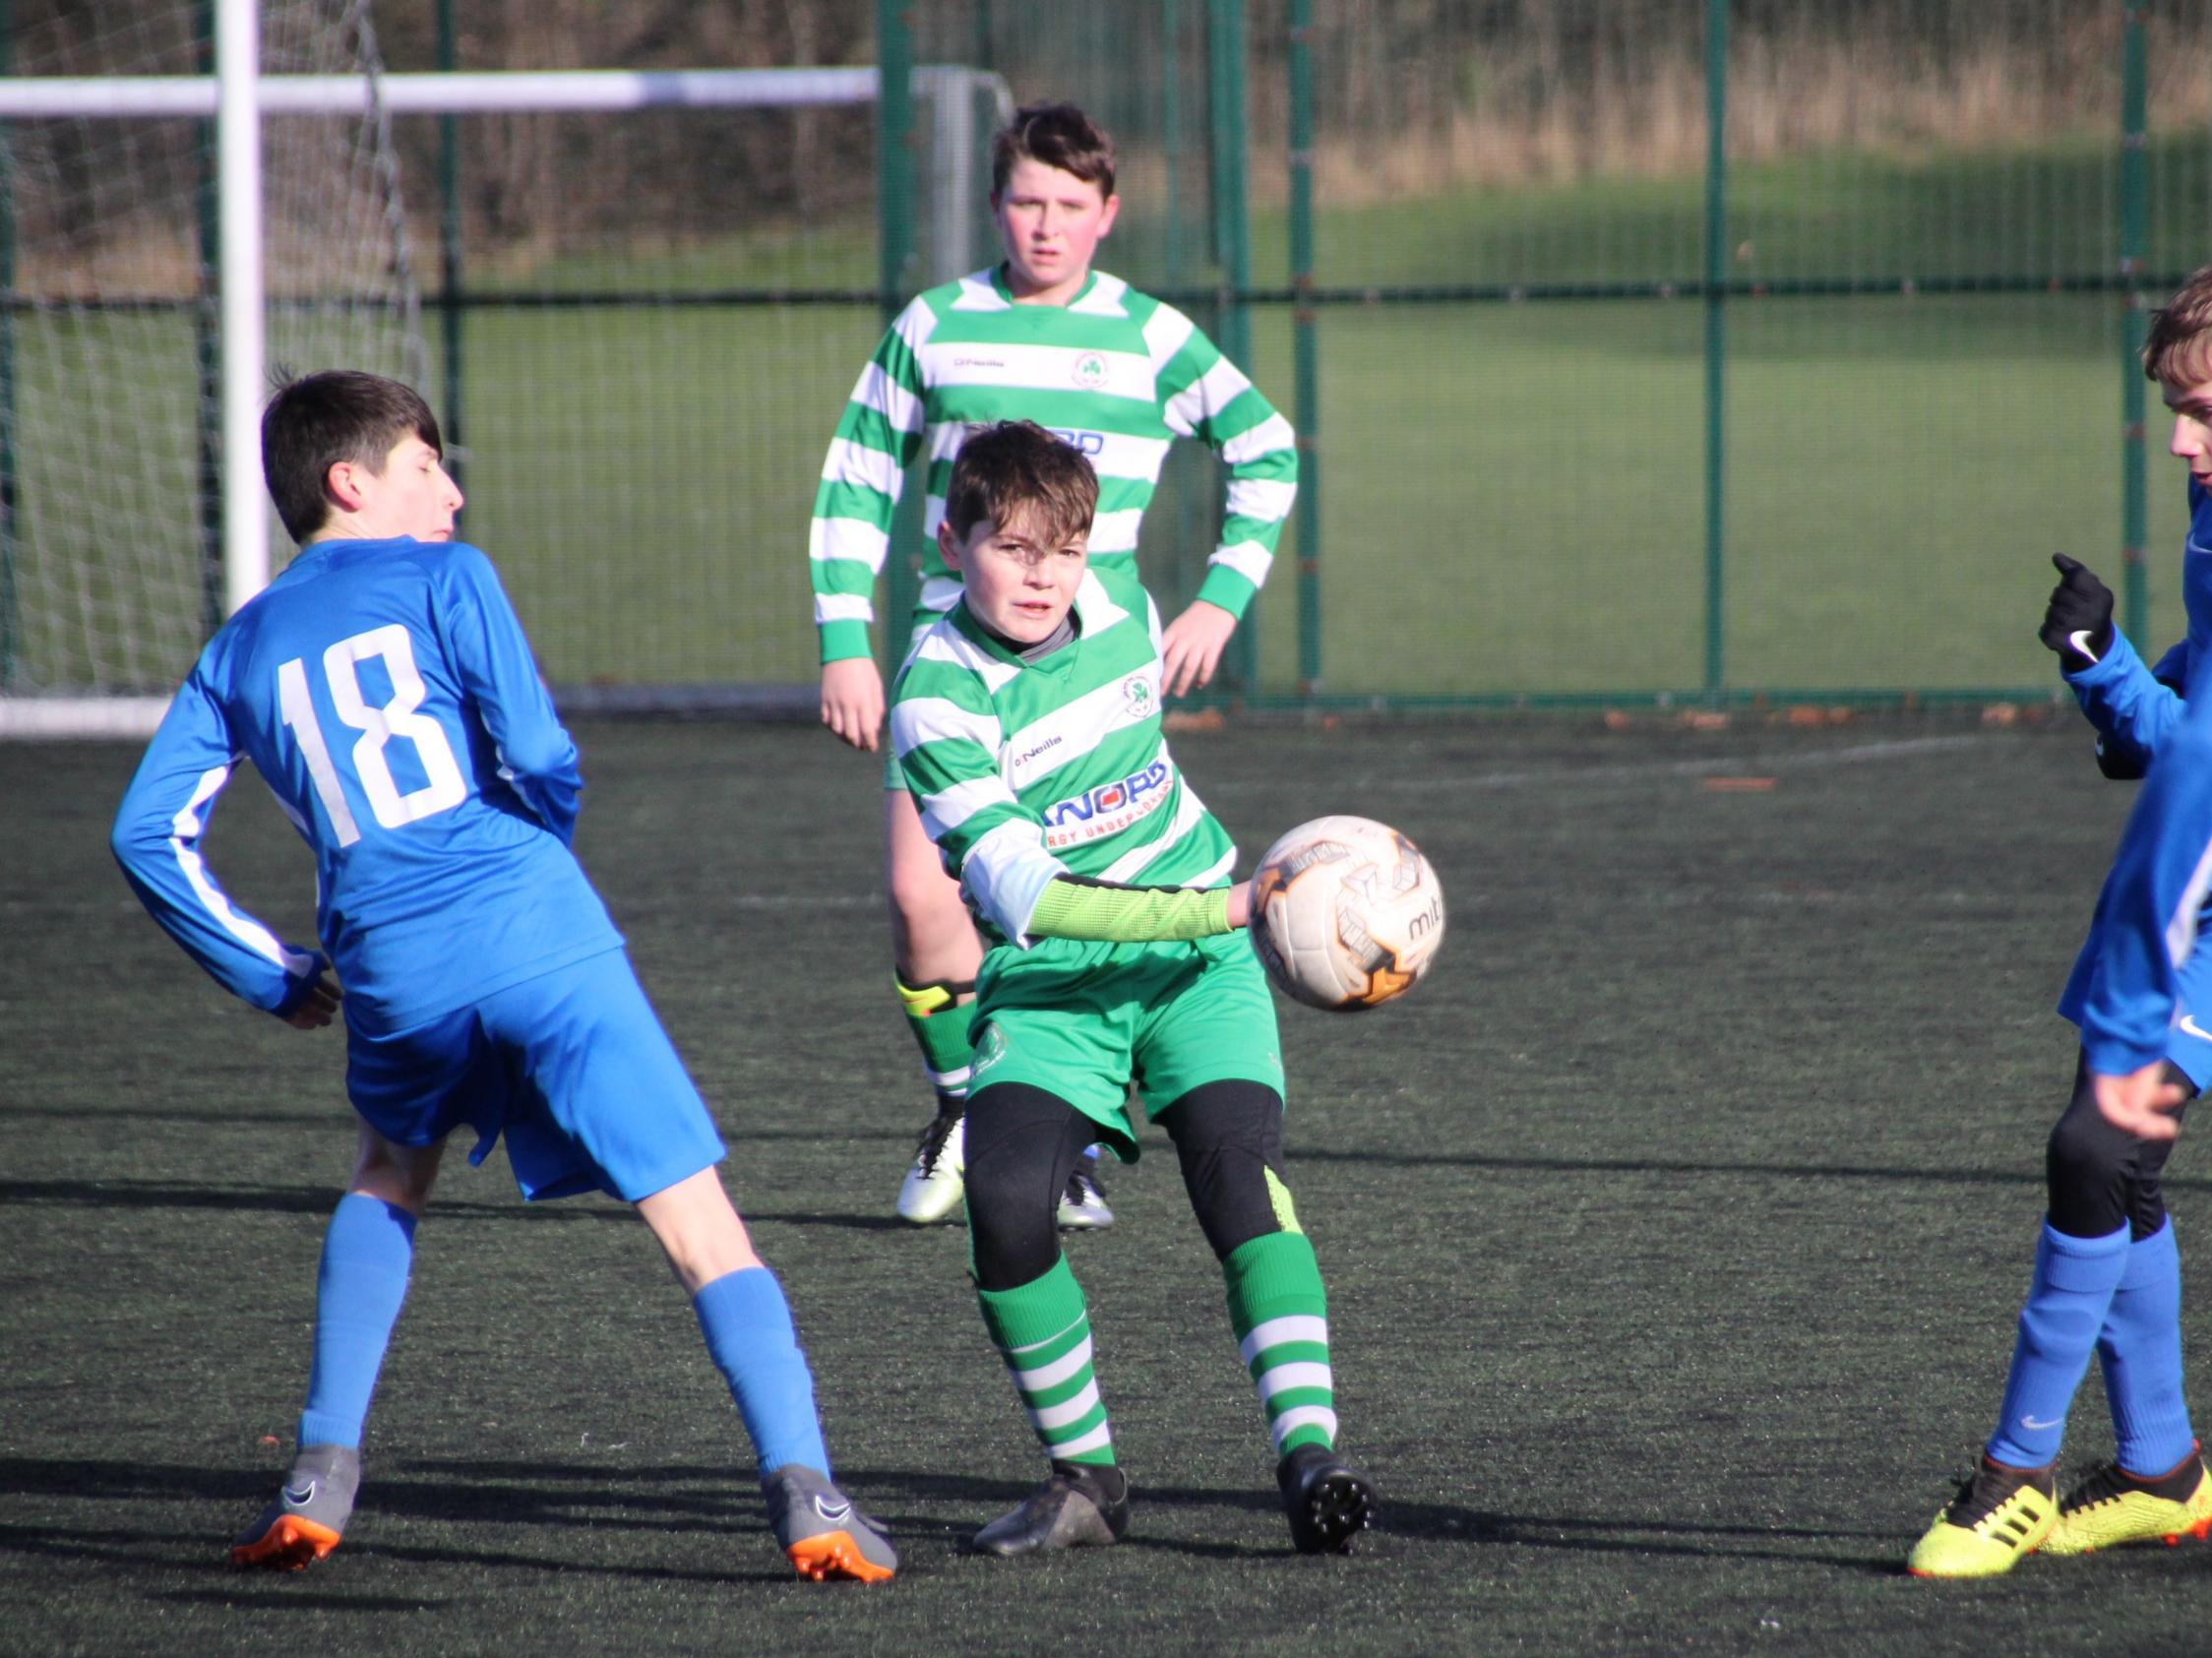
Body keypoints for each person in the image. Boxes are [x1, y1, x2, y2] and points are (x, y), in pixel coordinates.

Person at [110, 371, 894, 1582]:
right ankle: (810, 1494)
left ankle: (322, 1471)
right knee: (698, 1222)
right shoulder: (448, 576)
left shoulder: (239, 645)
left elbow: (144, 835)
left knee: (386, 1176)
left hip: (387, 967)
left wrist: (271, 975)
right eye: (430, 466)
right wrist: (538, 841)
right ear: (350, 483)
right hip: (535, 930)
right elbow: (533, 748)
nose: (455, 492)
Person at [1907, 249, 2212, 1578]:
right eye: (2171, 408)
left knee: (2101, 1147)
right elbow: (2209, 726)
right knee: (2105, 1149)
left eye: (2204, 410)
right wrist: (2108, 667)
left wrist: (2149, 702)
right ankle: (2151, 1467)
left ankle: (2019, 1471)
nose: (2179, 441)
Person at [807, 101, 1299, 1228]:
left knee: (1095, 892)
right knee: (918, 897)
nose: (1045, 226)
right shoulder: (935, 326)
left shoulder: (1152, 336)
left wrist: (1222, 598)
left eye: (1070, 207)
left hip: (1095, 677)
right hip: (958, 671)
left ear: (1107, 214)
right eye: (1026, 201)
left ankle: (1065, 1124)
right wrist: (846, 640)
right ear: (994, 204)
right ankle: (970, 1103)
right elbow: (854, 484)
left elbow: (1267, 447)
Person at [889, 419, 1368, 1557]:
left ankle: (1312, 1459)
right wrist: (1233, 906)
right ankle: (1087, 1484)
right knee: (1004, 1205)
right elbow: (1039, 900)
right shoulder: (935, 704)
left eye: (1064, 547)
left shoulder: (1123, 611)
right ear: (953, 543)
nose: (1042, 574)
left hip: (1198, 976)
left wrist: (1216, 921)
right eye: (1010, 546)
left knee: (1241, 1184)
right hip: (1057, 981)